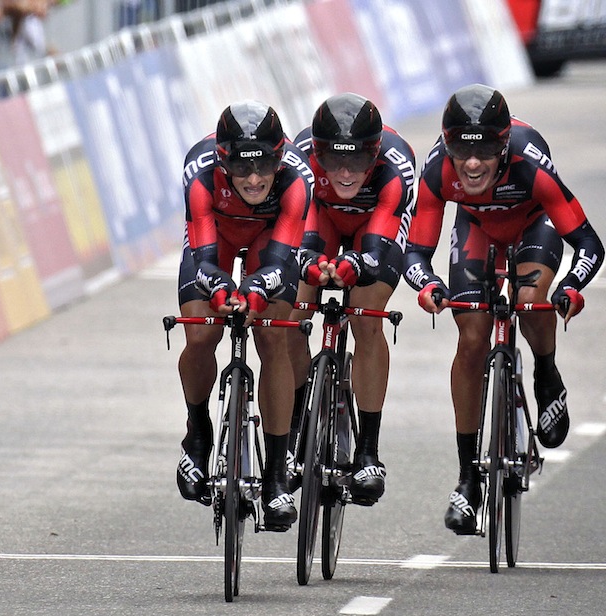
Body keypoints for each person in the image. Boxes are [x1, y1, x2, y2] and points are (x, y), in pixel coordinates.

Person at [403, 83, 603, 534]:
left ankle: (546, 374)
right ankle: (467, 477)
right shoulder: (437, 171)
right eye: (461, 150)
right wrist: (428, 284)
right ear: (448, 146)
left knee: (531, 301)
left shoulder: (531, 167)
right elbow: (414, 253)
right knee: (472, 337)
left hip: (535, 221)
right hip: (476, 227)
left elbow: (588, 243)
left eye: (486, 151)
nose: (472, 164)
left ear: (504, 146)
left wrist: (570, 286)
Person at [175, 100, 313, 531]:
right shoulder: (198, 171)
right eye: (241, 169)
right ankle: (197, 435)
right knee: (200, 335)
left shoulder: (297, 178)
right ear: (222, 162)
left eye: (264, 167)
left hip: (269, 242)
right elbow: (202, 257)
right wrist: (219, 289)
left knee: (273, 340)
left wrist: (253, 293)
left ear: (279, 158)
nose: (254, 179)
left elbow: (282, 259)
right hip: (215, 236)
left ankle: (275, 477)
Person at [289, 93, 416, 505]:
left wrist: (354, 266)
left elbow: (378, 251)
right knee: (291, 313)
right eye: (334, 161)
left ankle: (368, 452)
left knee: (366, 318)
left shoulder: (397, 165)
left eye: (359, 161)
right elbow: (297, 230)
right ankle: (293, 429)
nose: (345, 172)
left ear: (375, 154)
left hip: (374, 226)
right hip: (320, 217)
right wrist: (310, 262)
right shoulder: (299, 157)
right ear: (317, 153)